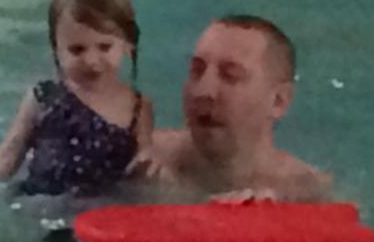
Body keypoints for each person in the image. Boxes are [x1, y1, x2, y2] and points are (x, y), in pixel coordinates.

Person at [0, 0, 154, 197]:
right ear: (57, 49)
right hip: (38, 205)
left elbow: (142, 169)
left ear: (128, 44)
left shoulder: (139, 108)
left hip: (98, 212)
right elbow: (7, 156)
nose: (92, 61)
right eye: (77, 50)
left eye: (105, 47)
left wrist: (148, 169)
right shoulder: (44, 98)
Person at [133, 15, 331, 201]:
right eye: (197, 70)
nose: (203, 90)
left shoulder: (303, 190)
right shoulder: (144, 159)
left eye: (231, 75)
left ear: (278, 101)